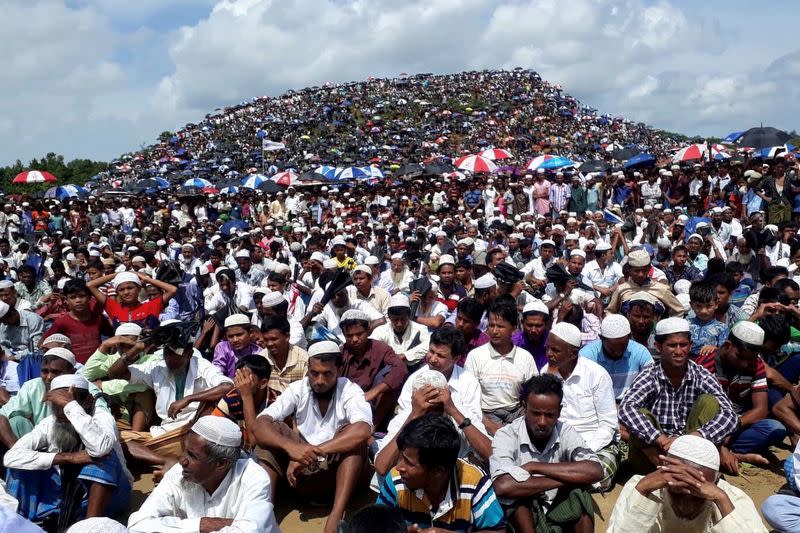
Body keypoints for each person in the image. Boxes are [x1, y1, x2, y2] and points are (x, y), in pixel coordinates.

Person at [253, 341, 373, 533]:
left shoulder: (350, 390)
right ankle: (262, 514)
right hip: (302, 474)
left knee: (352, 437)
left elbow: (363, 431)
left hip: (335, 473)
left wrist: (312, 453)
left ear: (339, 370)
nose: (319, 380)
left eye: (327, 374)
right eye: (314, 373)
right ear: (307, 369)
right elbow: (259, 425)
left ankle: (335, 518)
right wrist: (291, 448)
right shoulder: (297, 389)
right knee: (272, 429)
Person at [4, 374, 131, 526]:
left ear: (88, 400)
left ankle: (90, 527)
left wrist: (72, 407)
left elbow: (100, 448)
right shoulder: (49, 423)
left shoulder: (102, 417)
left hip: (111, 496)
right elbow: (10, 457)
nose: (61, 412)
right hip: (66, 497)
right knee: (20, 465)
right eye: (56, 405)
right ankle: (23, 523)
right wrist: (68, 458)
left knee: (103, 458)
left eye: (65, 404)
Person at [619, 317, 739, 474]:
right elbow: (625, 408)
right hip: (653, 454)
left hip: (689, 452)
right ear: (658, 347)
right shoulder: (650, 374)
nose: (678, 351)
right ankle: (668, 469)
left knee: (709, 402)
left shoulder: (700, 374)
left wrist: (694, 437)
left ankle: (683, 468)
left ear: (690, 346)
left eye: (683, 345)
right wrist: (660, 439)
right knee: (639, 414)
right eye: (672, 345)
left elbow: (731, 415)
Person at [491, 374, 603, 533]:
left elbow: (595, 470)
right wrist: (570, 479)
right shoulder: (507, 435)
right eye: (536, 413)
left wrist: (535, 467)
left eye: (549, 415)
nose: (542, 422)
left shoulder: (565, 431)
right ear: (524, 408)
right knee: (518, 501)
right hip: (525, 517)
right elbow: (502, 486)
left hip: (558, 508)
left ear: (559, 411)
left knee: (580, 495)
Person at [127, 416, 279, 532]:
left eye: (192, 456)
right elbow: (137, 525)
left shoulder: (253, 477)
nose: (182, 461)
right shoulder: (178, 474)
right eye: (184, 451)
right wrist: (202, 524)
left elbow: (249, 530)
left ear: (221, 464)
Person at [375, 327, 491, 476]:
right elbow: (381, 466)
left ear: (455, 359)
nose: (433, 359)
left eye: (440, 355)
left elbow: (477, 433)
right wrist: (416, 413)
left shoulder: (468, 383)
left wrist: (452, 410)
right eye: (431, 352)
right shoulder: (415, 380)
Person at [106, 329, 234, 463]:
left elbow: (228, 387)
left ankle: (155, 456)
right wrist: (137, 348)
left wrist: (189, 399)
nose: (169, 358)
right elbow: (114, 373)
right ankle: (165, 459)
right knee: (114, 441)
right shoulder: (158, 367)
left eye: (175, 353)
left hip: (193, 429)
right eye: (166, 353)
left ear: (189, 353)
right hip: (165, 432)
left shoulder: (201, 366)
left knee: (119, 447)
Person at [608, 434, 767, 533]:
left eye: (697, 495)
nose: (685, 505)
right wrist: (643, 489)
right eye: (677, 492)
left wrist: (722, 501)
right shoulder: (641, 487)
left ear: (716, 482)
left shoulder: (733, 499)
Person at [376, 413, 506, 532]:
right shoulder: (396, 479)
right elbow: (375, 526)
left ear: (438, 471)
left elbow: (498, 531)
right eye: (401, 457)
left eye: (409, 462)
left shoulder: (474, 482)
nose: (399, 467)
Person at [696, 321, 787, 474]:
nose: (745, 364)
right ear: (727, 346)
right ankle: (729, 453)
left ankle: (724, 452)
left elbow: (760, 409)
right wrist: (719, 433)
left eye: (750, 360)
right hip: (706, 426)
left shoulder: (755, 364)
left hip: (737, 425)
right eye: (740, 357)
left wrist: (732, 426)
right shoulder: (704, 365)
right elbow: (696, 411)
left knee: (775, 428)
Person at [542, 321, 619, 491]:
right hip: (557, 444)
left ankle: (554, 482)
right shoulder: (544, 374)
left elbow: (608, 424)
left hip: (594, 444)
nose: (549, 354)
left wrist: (583, 450)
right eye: (548, 348)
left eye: (555, 350)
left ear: (573, 353)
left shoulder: (596, 374)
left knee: (602, 475)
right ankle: (570, 480)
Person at [465, 303, 538, 435]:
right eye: (491, 325)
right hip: (485, 415)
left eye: (500, 326)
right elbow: (468, 399)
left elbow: (534, 393)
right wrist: (488, 424)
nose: (494, 331)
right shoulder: (475, 356)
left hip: (516, 414)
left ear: (513, 329)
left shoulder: (525, 358)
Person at [339, 309, 408, 429]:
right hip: (346, 404)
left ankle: (373, 426)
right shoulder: (340, 352)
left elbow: (400, 368)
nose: (355, 339)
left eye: (359, 334)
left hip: (374, 404)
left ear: (368, 331)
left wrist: (374, 392)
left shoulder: (380, 348)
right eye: (349, 336)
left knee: (389, 375)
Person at [579, 314, 654, 401]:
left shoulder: (640, 352)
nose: (618, 351)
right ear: (601, 338)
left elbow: (652, 381)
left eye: (623, 346)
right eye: (612, 348)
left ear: (629, 337)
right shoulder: (586, 356)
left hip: (631, 405)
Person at [41, 279, 112, 364]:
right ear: (66, 300)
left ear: (89, 298)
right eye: (73, 297)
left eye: (82, 296)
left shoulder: (98, 318)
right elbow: (42, 344)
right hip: (75, 368)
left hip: (98, 365)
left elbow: (112, 336)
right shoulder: (61, 322)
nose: (78, 300)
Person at [87, 271, 176, 330]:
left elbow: (173, 290)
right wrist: (118, 274)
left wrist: (147, 279)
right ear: (117, 292)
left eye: (130, 288)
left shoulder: (151, 306)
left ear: (139, 288)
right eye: (121, 290)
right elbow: (90, 285)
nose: (126, 292)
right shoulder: (113, 307)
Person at [606, 250, 684, 316]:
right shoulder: (621, 289)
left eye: (644, 270)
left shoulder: (661, 289)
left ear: (649, 269)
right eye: (636, 271)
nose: (641, 274)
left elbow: (679, 310)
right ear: (629, 270)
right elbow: (609, 312)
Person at [369, 293, 431, 368]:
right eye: (395, 320)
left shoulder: (420, 329)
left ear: (409, 316)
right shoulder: (381, 331)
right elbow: (371, 347)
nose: (399, 324)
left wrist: (404, 355)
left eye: (403, 319)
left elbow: (428, 345)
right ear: (389, 317)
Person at [259, 315, 309, 400]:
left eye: (274, 339)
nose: (269, 344)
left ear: (287, 337)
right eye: (266, 340)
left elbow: (307, 393)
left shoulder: (304, 360)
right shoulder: (261, 359)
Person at [687, 280, 729, 359]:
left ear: (716, 304)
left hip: (708, 366)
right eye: (699, 306)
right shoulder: (685, 324)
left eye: (709, 306)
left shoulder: (722, 328)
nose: (704, 311)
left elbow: (724, 353)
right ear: (692, 305)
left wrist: (715, 349)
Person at [212, 314, 261, 379]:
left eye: (239, 335)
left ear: (250, 333)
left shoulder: (259, 352)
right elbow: (217, 371)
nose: (235, 340)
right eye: (230, 336)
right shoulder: (223, 347)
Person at [512, 300, 550, 370]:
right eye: (529, 325)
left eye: (538, 326)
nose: (533, 330)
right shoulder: (513, 343)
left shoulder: (552, 344)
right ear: (522, 323)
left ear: (547, 325)